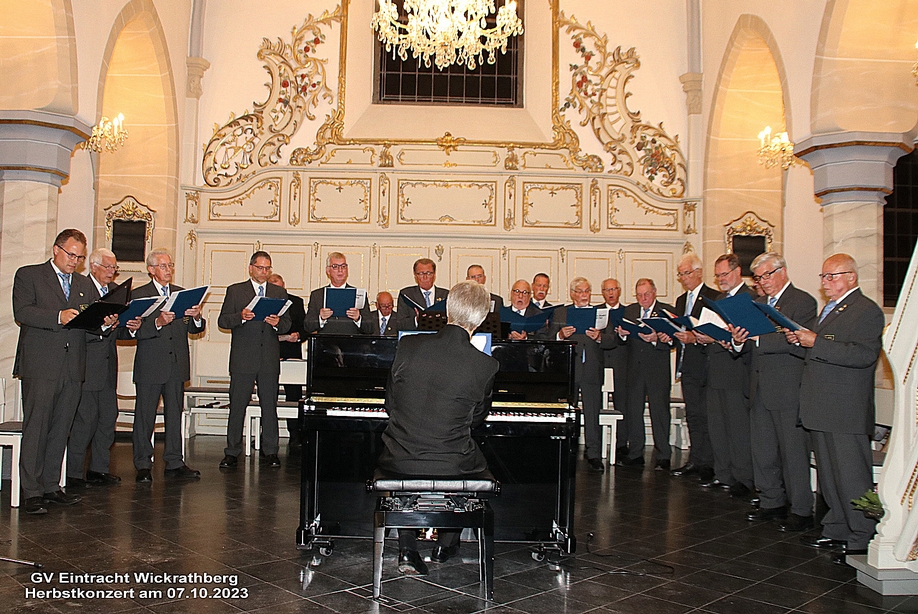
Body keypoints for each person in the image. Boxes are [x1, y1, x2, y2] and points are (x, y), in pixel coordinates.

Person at [377, 281, 500, 575]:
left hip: (399, 456)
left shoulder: (408, 345)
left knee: (413, 461)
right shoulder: (486, 365)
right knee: (475, 461)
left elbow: (390, 405)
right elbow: (475, 420)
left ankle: (407, 549)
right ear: (481, 318)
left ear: (447, 309)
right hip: (451, 462)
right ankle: (446, 543)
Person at [790, 254, 884, 563]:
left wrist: (815, 341)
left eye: (832, 276)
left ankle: (863, 534)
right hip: (823, 405)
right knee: (830, 476)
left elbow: (863, 355)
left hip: (846, 408)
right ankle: (837, 526)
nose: (826, 282)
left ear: (852, 277)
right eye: (824, 276)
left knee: (852, 475)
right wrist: (800, 340)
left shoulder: (865, 310)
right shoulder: (830, 310)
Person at [13, 229, 107, 514]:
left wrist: (105, 323)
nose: (74, 261)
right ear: (56, 249)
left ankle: (52, 485)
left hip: (73, 367)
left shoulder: (83, 284)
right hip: (41, 365)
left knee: (61, 429)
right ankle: (30, 491)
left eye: (79, 257)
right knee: (37, 428)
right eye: (71, 255)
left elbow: (89, 324)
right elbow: (23, 312)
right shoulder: (29, 275)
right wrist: (58, 316)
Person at [734, 252, 816, 529]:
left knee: (793, 453)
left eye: (766, 275)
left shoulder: (802, 301)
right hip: (759, 387)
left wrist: (758, 338)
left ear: (782, 271)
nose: (762, 282)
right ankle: (772, 501)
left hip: (788, 388)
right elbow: (749, 345)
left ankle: (802, 509)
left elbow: (798, 341)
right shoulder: (756, 304)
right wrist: (738, 340)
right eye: (758, 278)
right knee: (763, 451)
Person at [129, 248, 204, 483]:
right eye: (163, 266)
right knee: (145, 417)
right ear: (151, 270)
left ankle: (174, 461)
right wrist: (158, 323)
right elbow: (131, 330)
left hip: (176, 364)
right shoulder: (139, 295)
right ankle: (143, 464)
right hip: (150, 365)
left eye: (170, 265)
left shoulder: (181, 294)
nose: (168, 270)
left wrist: (197, 316)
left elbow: (194, 329)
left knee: (175, 415)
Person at [218, 251, 291, 469]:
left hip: (268, 357)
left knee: (269, 406)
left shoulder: (279, 292)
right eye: (260, 268)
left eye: (267, 268)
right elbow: (223, 320)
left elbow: (287, 324)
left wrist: (277, 322)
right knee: (237, 406)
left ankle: (271, 451)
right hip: (243, 357)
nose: (264, 272)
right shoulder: (236, 290)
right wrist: (240, 316)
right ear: (250, 268)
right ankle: (232, 451)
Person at [697, 254, 754, 496]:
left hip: (737, 370)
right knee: (717, 426)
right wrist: (703, 337)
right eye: (718, 275)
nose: (721, 280)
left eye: (725, 275)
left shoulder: (750, 298)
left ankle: (743, 478)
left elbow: (749, 336)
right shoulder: (718, 299)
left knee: (737, 427)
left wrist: (722, 337)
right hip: (716, 369)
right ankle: (723, 474)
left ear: (737, 271)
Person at [66, 248, 124, 487]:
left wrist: (128, 325)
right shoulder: (81, 289)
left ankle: (99, 469)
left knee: (108, 417)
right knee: (85, 420)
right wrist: (103, 327)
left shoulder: (116, 292)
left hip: (108, 365)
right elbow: (77, 327)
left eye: (114, 268)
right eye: (107, 267)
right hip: (87, 363)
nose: (111, 272)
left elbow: (117, 330)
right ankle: (73, 473)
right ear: (93, 266)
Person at [545, 277, 616, 473]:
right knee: (568, 413)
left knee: (593, 412)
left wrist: (599, 337)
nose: (584, 295)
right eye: (580, 291)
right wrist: (561, 335)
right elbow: (549, 339)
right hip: (569, 369)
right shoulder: (561, 312)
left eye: (587, 291)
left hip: (592, 369)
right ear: (572, 293)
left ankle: (593, 453)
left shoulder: (601, 313)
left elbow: (612, 340)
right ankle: (567, 450)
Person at [670, 253, 720, 481]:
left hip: (706, 364)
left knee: (707, 416)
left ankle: (708, 463)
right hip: (686, 365)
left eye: (686, 273)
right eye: (681, 274)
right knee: (693, 416)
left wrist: (695, 336)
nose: (683, 278)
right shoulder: (681, 301)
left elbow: (716, 331)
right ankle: (695, 459)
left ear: (699, 272)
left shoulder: (713, 297)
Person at [618, 278, 675, 470]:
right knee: (634, 411)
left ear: (655, 292)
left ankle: (663, 455)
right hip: (634, 369)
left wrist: (655, 339)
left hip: (657, 370)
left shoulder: (666, 311)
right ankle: (635, 453)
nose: (643, 298)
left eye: (647, 294)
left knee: (659, 412)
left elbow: (674, 340)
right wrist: (622, 334)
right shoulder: (630, 311)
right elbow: (622, 342)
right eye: (639, 295)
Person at [267, 273, 306, 450]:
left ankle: (295, 435)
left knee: (294, 397)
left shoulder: (296, 302)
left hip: (291, 354)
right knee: (268, 396)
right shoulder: (263, 302)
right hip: (269, 354)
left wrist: (298, 336)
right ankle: (266, 435)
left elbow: (305, 328)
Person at [305, 252, 372, 335]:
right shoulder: (317, 295)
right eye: (335, 267)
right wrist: (320, 318)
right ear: (328, 271)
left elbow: (370, 328)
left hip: (352, 345)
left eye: (343, 266)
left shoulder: (359, 294)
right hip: (325, 345)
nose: (340, 270)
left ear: (347, 270)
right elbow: (307, 326)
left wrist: (358, 319)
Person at [600, 278, 630, 463]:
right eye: (607, 290)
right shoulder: (597, 311)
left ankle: (621, 445)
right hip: (600, 361)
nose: (610, 293)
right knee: (595, 403)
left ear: (619, 291)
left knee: (623, 403)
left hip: (621, 362)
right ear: (602, 292)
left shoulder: (628, 312)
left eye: (613, 289)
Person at [396, 258, 449, 330]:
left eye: (429, 273)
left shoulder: (446, 295)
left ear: (434, 274)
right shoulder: (406, 295)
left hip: (441, 338)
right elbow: (400, 324)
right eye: (421, 273)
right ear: (415, 275)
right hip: (416, 338)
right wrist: (416, 320)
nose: (425, 277)